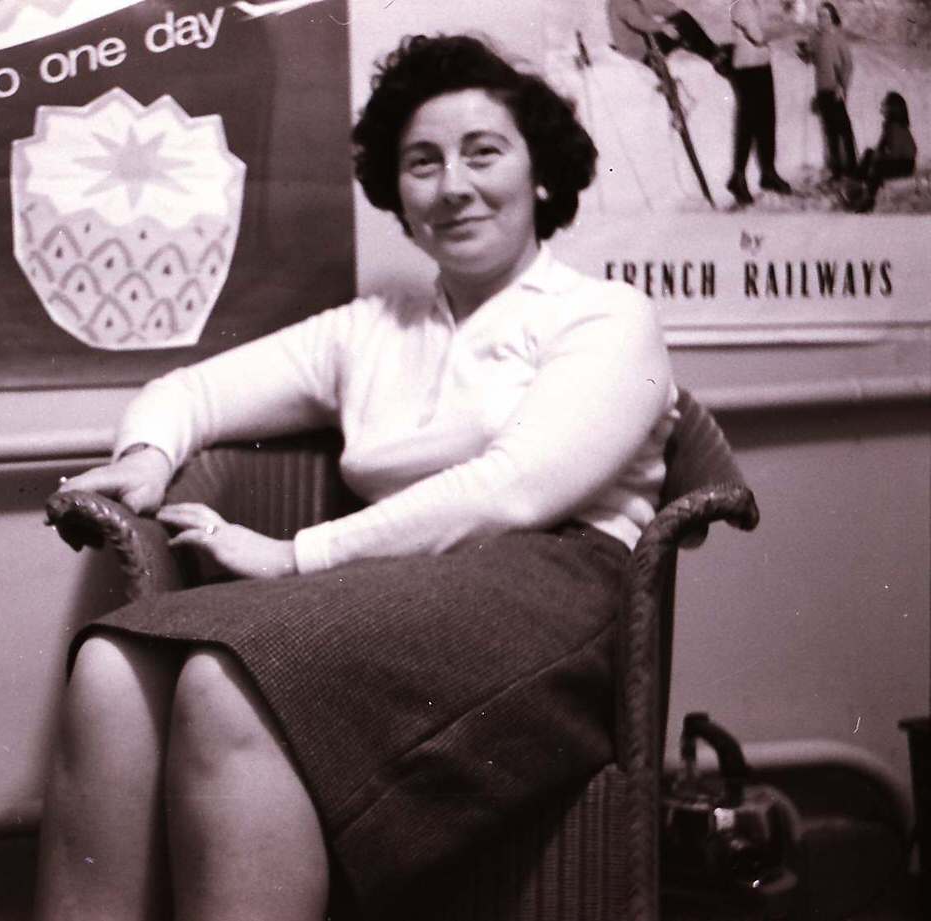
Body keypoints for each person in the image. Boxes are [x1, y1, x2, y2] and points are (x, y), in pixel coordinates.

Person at [37, 33, 678, 921]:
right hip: (394, 587)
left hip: (558, 587)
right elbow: (190, 391)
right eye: (423, 163)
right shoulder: (370, 329)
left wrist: (299, 555)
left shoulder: (608, 317)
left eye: (482, 153)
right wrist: (146, 457)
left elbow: (515, 489)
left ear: (541, 176)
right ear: (398, 195)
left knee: (230, 682)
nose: (453, 185)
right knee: (111, 665)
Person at [729, 0, 793, 204]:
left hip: (761, 65)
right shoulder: (740, 7)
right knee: (748, 125)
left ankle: (768, 173)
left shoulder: (757, 5)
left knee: (767, 121)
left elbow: (769, 28)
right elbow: (759, 36)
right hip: (747, 69)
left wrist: (784, 16)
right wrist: (784, 26)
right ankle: (737, 177)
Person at [799, 2, 857, 179]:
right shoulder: (814, 37)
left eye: (825, 15)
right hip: (821, 89)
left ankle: (852, 168)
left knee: (843, 129)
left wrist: (842, 86)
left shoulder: (838, 36)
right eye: (819, 16)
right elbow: (810, 59)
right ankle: (837, 170)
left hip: (836, 89)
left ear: (832, 17)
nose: (821, 19)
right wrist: (803, 53)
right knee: (830, 130)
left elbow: (848, 64)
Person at [607, 0, 730, 75]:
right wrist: (663, 27)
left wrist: (675, 12)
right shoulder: (620, 2)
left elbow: (655, 4)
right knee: (681, 26)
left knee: (682, 20)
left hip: (647, 42)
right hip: (640, 53)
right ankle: (713, 56)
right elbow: (638, 21)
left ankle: (711, 53)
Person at [844, 91, 917, 212]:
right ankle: (854, 186)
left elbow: (901, 152)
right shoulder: (889, 126)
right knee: (869, 154)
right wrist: (877, 155)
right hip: (899, 160)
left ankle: (868, 199)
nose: (882, 108)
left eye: (885, 105)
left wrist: (881, 156)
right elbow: (881, 148)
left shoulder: (896, 126)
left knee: (878, 165)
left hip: (905, 164)